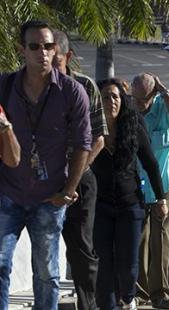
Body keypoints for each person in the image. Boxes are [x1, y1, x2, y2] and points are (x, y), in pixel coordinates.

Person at [0, 20, 91, 310]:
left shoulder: (71, 91)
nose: (43, 52)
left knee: (47, 274)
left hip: (49, 198)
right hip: (8, 193)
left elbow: (83, 144)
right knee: (0, 264)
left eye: (49, 46)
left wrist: (68, 191)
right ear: (21, 50)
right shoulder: (4, 87)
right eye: (35, 46)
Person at [91, 79, 165, 310]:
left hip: (130, 204)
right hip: (100, 205)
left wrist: (161, 199)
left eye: (115, 96)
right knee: (104, 264)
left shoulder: (133, 124)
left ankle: (129, 296)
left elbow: (151, 163)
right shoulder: (91, 127)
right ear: (98, 101)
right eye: (106, 97)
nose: (111, 101)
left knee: (128, 265)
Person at [52, 30, 108, 310]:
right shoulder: (30, 86)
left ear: (67, 57)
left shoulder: (85, 86)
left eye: (56, 59)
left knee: (82, 249)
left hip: (80, 181)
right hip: (44, 182)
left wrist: (72, 179)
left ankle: (89, 304)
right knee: (45, 248)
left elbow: (99, 138)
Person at [131, 73, 169, 309]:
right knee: (138, 239)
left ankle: (160, 293)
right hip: (136, 185)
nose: (139, 103)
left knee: (161, 240)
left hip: (163, 184)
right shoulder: (128, 110)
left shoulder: (163, 106)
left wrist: (165, 92)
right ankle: (138, 291)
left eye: (144, 99)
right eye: (136, 98)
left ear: (153, 95)